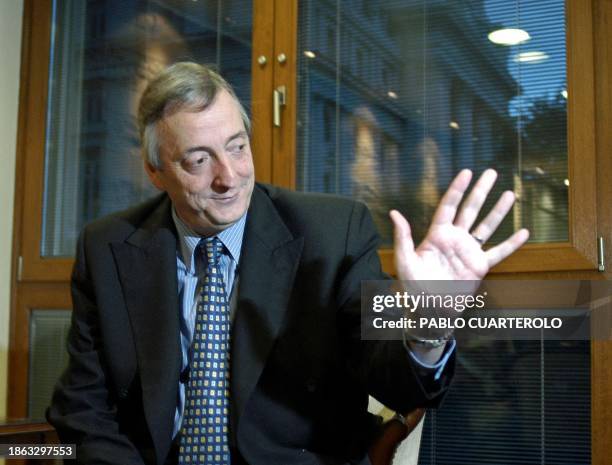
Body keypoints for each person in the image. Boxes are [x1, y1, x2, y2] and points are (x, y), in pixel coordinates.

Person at [47, 62, 529, 465]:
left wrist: (426, 324)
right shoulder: (108, 247)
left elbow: (393, 380)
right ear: (155, 171)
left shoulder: (333, 232)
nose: (229, 176)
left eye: (237, 146)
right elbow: (81, 408)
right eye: (198, 160)